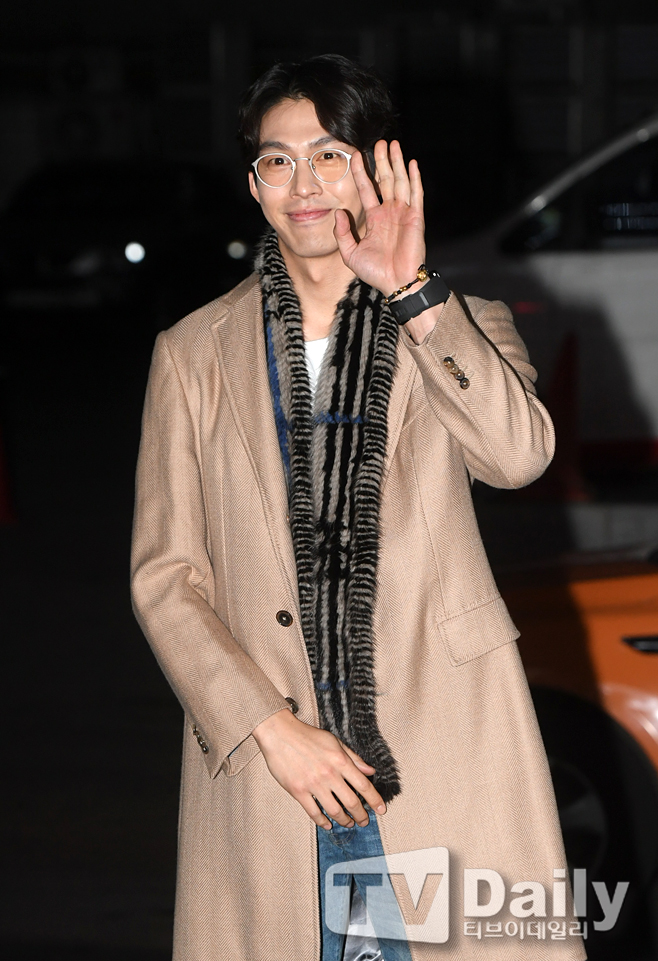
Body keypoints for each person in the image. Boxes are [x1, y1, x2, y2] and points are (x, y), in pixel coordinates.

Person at [131, 54, 587, 961]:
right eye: (277, 160)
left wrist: (411, 294)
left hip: (446, 747)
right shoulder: (192, 353)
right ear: (254, 184)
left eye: (328, 156)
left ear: (377, 169)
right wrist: (268, 727)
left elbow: (518, 457)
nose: (303, 185)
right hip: (277, 776)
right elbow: (165, 578)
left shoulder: (462, 321)